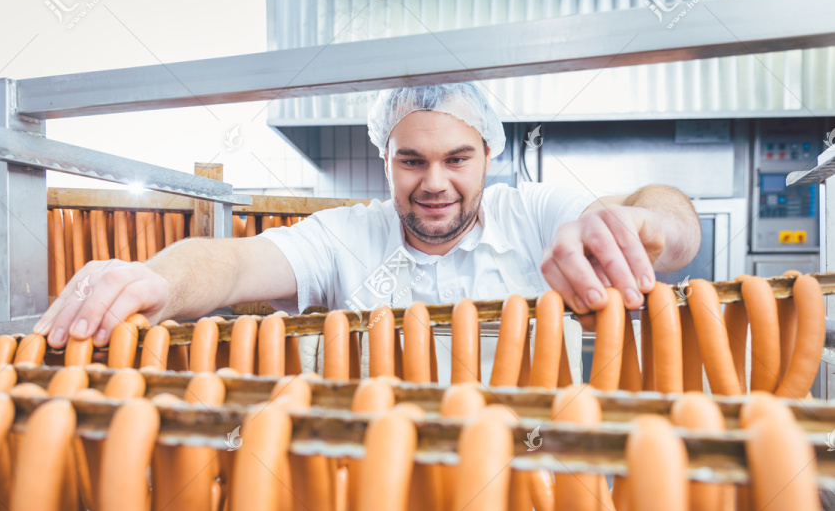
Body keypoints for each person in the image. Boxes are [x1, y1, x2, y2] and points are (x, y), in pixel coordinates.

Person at [35, 82, 700, 349]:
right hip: (372, 505)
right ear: (384, 158)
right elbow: (233, 263)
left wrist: (646, 227)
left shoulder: (536, 213)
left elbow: (669, 214)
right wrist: (159, 281)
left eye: (457, 159)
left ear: (490, 154)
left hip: (531, 500)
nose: (434, 183)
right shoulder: (345, 236)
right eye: (412, 161)